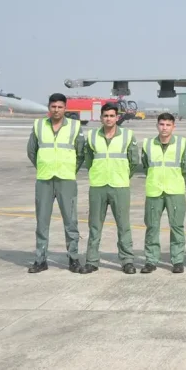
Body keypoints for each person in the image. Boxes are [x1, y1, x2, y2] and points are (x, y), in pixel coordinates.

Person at [26, 93, 85, 273]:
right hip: (44, 179)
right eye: (53, 107)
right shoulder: (39, 125)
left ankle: (73, 258)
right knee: (42, 221)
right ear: (49, 108)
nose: (56, 110)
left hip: (66, 179)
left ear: (65, 108)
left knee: (71, 221)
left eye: (60, 107)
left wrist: (70, 170)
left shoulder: (74, 126)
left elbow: (81, 153)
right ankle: (40, 260)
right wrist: (43, 166)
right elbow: (31, 151)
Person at [82, 102, 140, 275]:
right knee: (94, 225)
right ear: (101, 118)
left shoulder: (127, 135)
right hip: (98, 185)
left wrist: (123, 175)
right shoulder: (92, 136)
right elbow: (88, 159)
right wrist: (97, 173)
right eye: (106, 116)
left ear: (117, 117)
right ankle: (92, 261)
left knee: (123, 225)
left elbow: (133, 161)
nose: (108, 119)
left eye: (112, 116)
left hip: (119, 185)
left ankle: (127, 261)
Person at [141, 113, 186, 274]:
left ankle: (177, 260)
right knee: (152, 226)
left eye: (168, 125)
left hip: (175, 190)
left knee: (177, 226)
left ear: (173, 127)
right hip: (154, 190)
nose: (164, 128)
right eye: (162, 124)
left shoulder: (182, 143)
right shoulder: (148, 144)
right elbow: (145, 165)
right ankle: (151, 260)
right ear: (157, 125)